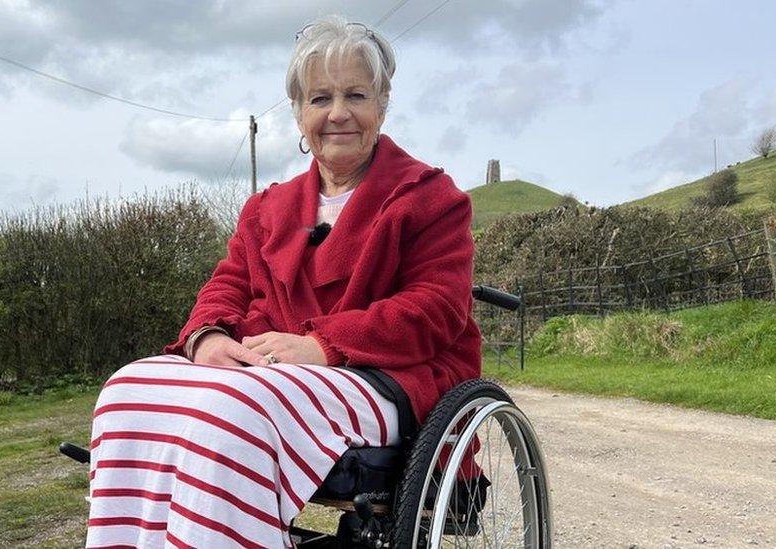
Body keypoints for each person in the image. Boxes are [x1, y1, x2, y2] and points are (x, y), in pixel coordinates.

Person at [86, 15, 481, 549]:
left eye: (355, 95)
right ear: (298, 113)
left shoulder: (430, 199)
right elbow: (226, 284)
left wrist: (323, 345)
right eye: (319, 99)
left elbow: (435, 309)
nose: (337, 113)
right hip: (274, 368)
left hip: (386, 373)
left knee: (234, 411)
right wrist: (208, 337)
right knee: (126, 391)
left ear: (382, 105)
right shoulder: (266, 207)